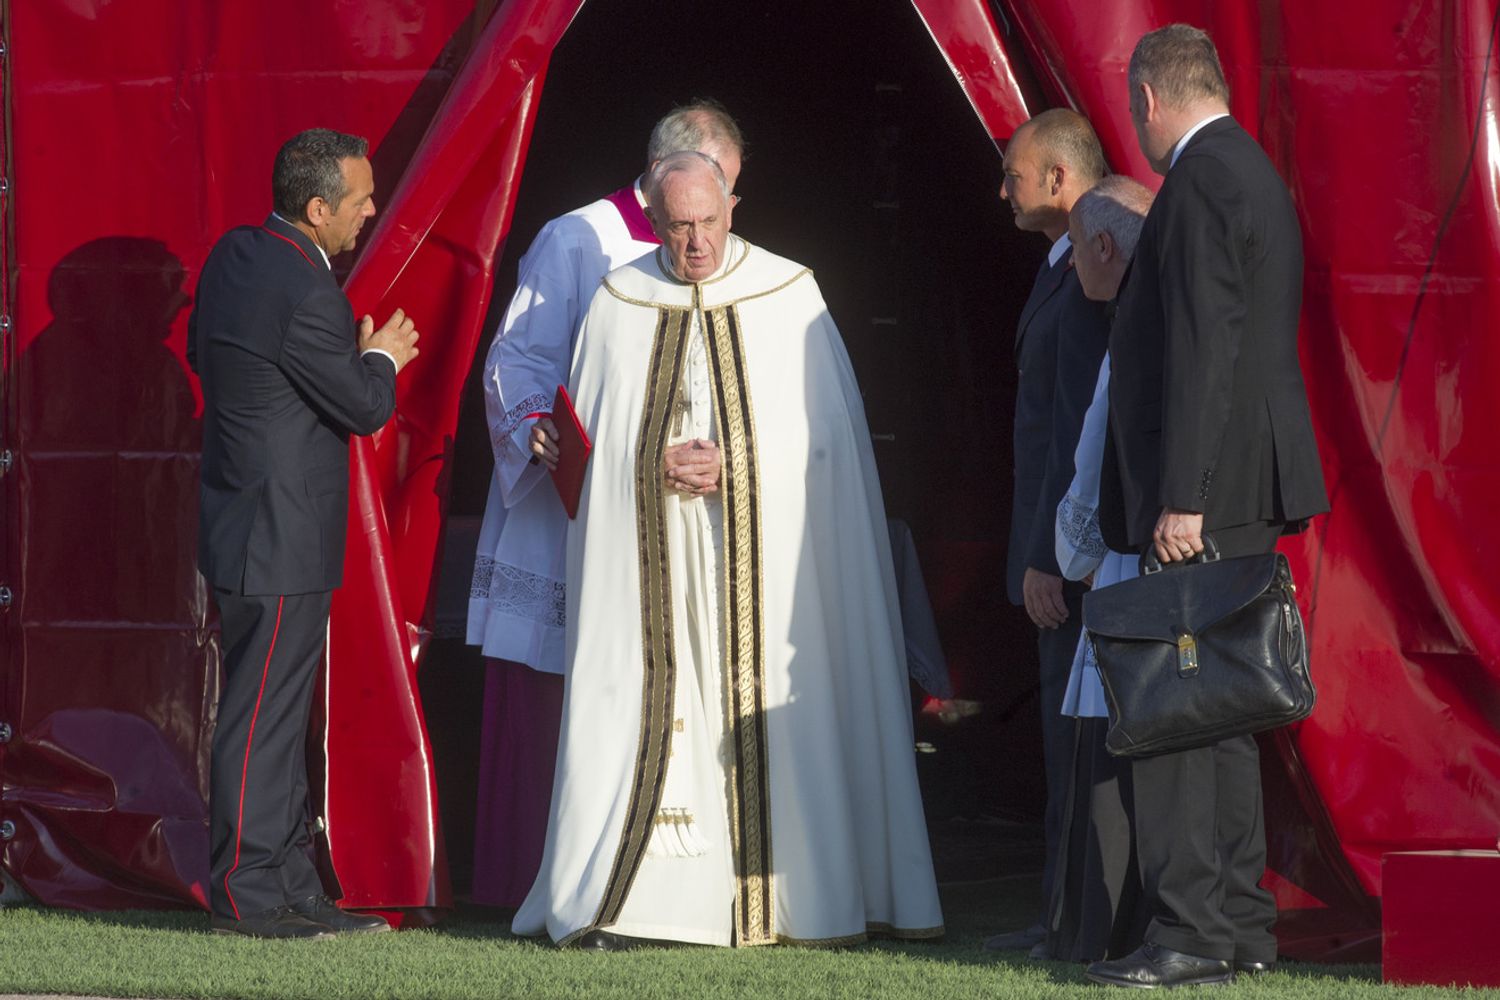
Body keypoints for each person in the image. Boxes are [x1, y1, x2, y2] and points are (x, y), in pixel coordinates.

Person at [512, 151, 944, 949]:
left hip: (765, 575)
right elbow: (591, 447)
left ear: (733, 206)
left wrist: (737, 464)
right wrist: (648, 461)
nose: (696, 242)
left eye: (708, 222)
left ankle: (796, 897)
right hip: (653, 570)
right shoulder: (618, 301)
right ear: (652, 218)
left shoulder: (789, 294)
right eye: (678, 226)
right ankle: (639, 898)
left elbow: (833, 449)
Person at [1086, 25, 1328, 988]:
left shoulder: (1200, 180)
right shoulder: (1248, 170)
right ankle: (1237, 930)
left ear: (1147, 99)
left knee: (1182, 714)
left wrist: (1182, 499)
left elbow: (1202, 348)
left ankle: (1191, 931)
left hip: (1209, 495)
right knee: (1223, 706)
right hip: (1239, 485)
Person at [466, 101, 743, 908]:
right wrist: (534, 423)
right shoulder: (578, 238)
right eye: (711, 182)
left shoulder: (717, 250)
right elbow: (517, 358)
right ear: (664, 173)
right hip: (575, 505)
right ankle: (539, 876)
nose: (718, 210)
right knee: (561, 689)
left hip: (673, 514)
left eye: (727, 191)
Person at [189, 128, 420, 939]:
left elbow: (208, 357)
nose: (372, 210)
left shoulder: (233, 256)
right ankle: (248, 894)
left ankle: (292, 884)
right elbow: (363, 407)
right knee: (261, 719)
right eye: (361, 198)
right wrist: (381, 357)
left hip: (245, 522)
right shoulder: (308, 291)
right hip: (279, 535)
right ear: (317, 208)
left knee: (278, 716)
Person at [985, 108, 1110, 957]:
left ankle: (1073, 922)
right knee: (1064, 741)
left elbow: (1072, 432)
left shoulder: (1092, 272)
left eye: (1015, 176)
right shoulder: (1061, 265)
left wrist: (1047, 558)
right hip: (1060, 545)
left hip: (1070, 555)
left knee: (1077, 740)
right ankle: (1061, 914)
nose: (1003, 191)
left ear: (1060, 180)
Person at [1046, 175, 1157, 963]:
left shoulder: (1131, 334)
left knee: (1116, 768)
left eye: (1079, 250)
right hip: (1184, 570)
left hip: (1125, 573)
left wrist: (1073, 555)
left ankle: (1104, 933)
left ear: (1106, 248)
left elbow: (1091, 465)